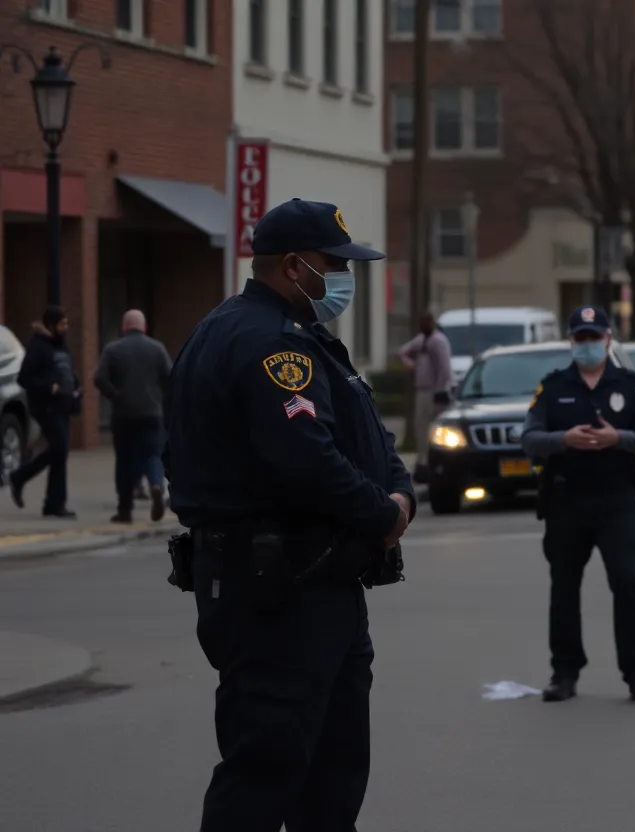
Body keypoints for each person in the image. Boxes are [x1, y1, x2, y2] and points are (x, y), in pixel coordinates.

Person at [164, 198, 414, 831]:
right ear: (294, 266)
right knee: (266, 771)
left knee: (332, 778)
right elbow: (305, 459)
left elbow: (369, 437)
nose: (344, 280)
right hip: (280, 591)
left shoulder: (300, 339)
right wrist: (379, 513)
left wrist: (399, 492)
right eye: (336, 266)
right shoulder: (266, 343)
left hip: (316, 584)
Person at [520, 306, 635, 705]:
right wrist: (563, 439)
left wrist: (618, 438)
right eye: (580, 338)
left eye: (594, 338)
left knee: (628, 582)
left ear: (608, 341)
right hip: (567, 498)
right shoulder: (552, 387)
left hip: (617, 498)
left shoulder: (630, 386)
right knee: (564, 589)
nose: (587, 345)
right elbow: (530, 439)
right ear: (571, 342)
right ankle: (564, 672)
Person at [94, 309, 173, 524]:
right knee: (153, 454)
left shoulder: (113, 349)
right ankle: (156, 484)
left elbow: (99, 377)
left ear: (124, 327)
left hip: (123, 414)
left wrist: (115, 395)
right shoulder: (157, 349)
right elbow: (170, 379)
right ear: (144, 327)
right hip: (152, 413)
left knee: (125, 461)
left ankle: (125, 510)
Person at [9, 306, 81, 518]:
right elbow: (24, 378)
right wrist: (49, 386)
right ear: (51, 325)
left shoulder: (61, 346)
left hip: (64, 405)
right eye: (62, 324)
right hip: (46, 406)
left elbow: (67, 369)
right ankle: (23, 479)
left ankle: (53, 504)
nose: (65, 328)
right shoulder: (38, 347)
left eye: (66, 324)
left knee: (60, 453)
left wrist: (75, 387)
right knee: (59, 449)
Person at [397, 311, 453, 476]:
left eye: (426, 322)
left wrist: (439, 390)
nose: (424, 325)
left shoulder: (438, 341)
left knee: (433, 428)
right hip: (422, 390)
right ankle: (423, 461)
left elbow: (444, 369)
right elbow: (403, 351)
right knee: (421, 428)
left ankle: (434, 461)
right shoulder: (422, 340)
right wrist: (411, 364)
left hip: (433, 391)